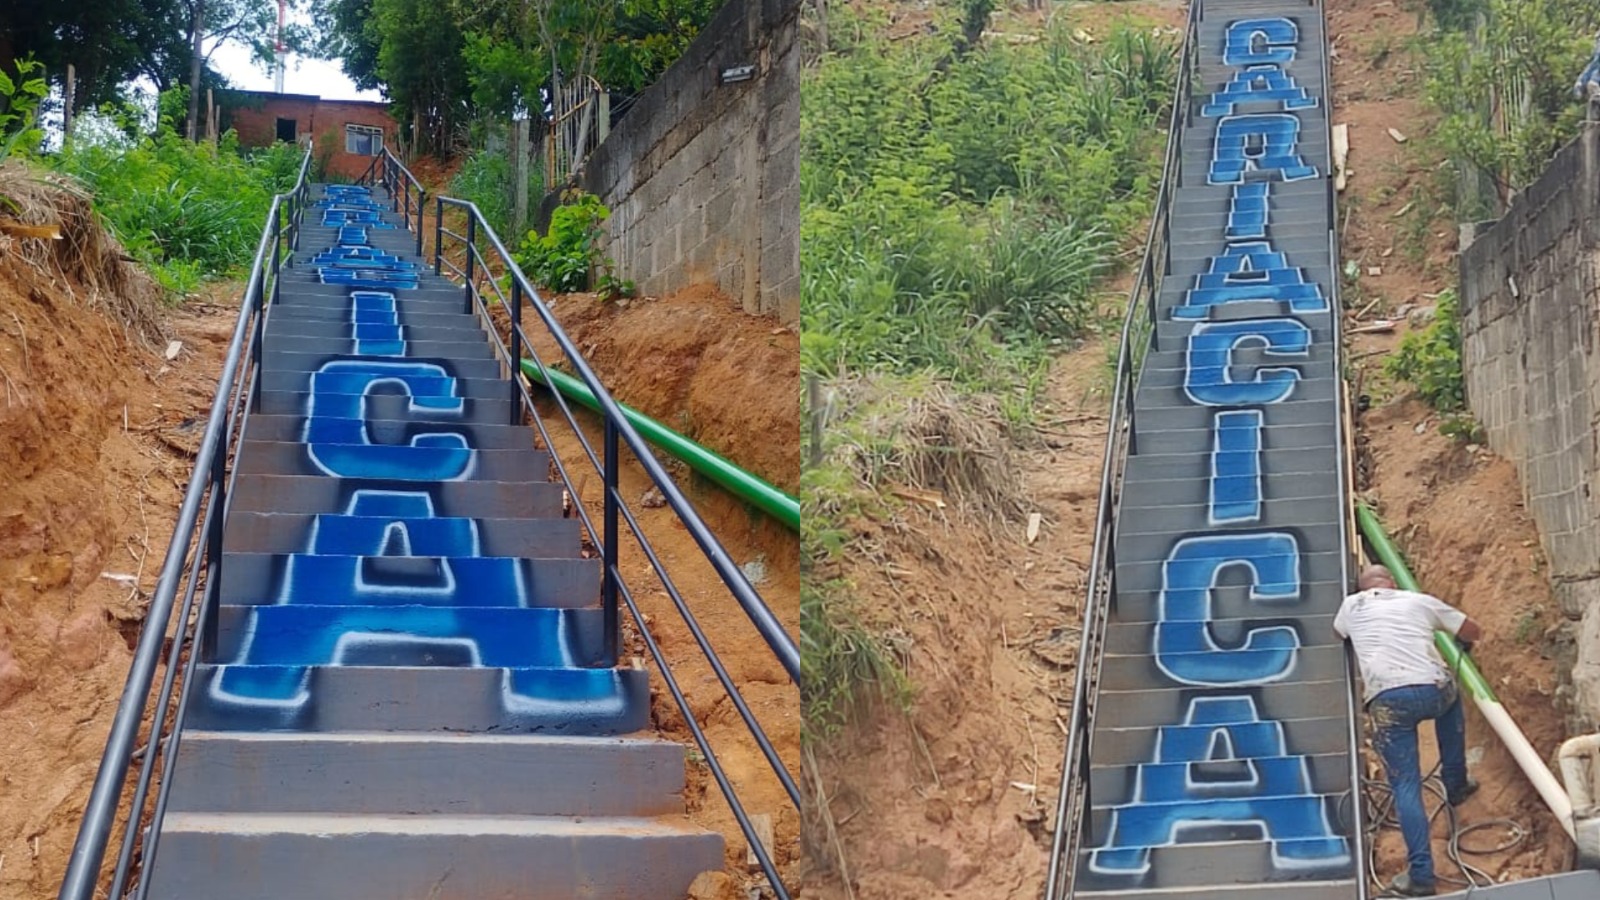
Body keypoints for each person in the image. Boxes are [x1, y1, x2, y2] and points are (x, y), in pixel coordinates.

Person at [1334, 564, 1483, 898]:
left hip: (1387, 701)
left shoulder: (1351, 606)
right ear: (1393, 583)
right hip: (1432, 688)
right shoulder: (1417, 600)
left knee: (1406, 785)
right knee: (1451, 697)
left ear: (1362, 588)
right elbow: (1473, 630)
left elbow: (1337, 633)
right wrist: (1461, 638)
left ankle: (1421, 876)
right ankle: (1456, 782)